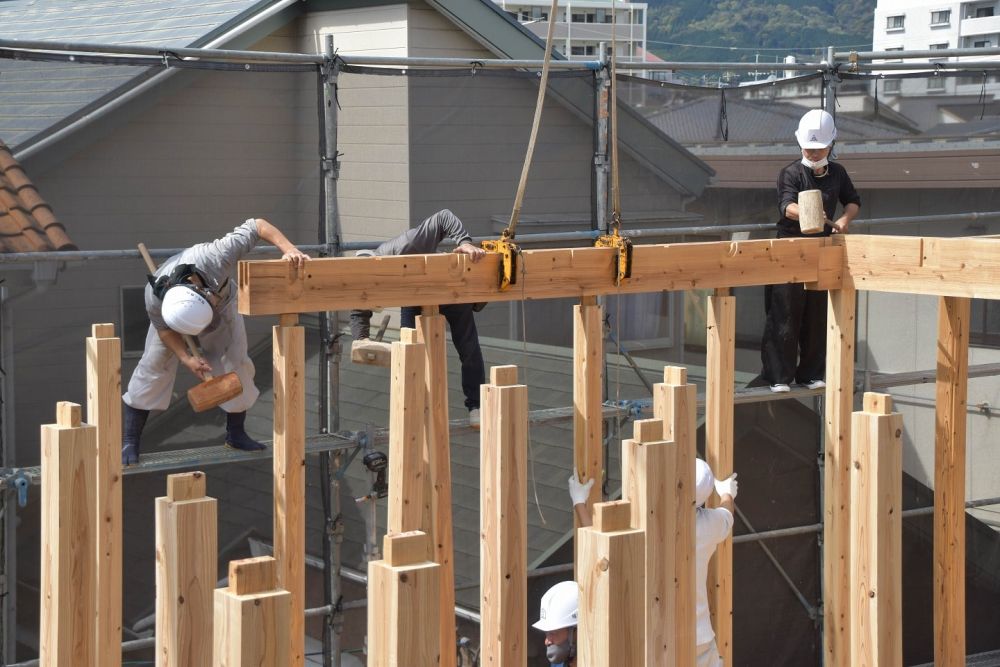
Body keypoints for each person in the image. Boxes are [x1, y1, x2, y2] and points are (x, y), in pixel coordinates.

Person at [121, 218, 309, 465]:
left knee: (236, 360)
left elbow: (258, 225)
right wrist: (187, 358)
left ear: (202, 288)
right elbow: (165, 331)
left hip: (224, 304)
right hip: (172, 322)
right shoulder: (155, 300)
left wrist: (289, 249)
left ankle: (236, 433)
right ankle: (130, 441)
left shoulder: (216, 256)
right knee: (154, 365)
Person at [568, 459, 738, 667]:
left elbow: (602, 548)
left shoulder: (645, 525)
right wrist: (726, 491)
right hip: (699, 636)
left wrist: (579, 502)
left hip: (655, 638)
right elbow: (727, 512)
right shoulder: (709, 525)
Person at [349, 209, 487, 426]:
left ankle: (476, 406)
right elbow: (358, 310)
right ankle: (412, 405)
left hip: (447, 287)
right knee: (409, 351)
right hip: (413, 296)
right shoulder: (368, 281)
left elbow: (444, 216)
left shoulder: (407, 245)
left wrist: (465, 242)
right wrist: (362, 339)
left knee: (468, 349)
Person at [759, 108, 861, 393]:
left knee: (816, 314)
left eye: (819, 149)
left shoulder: (838, 173)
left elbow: (852, 202)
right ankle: (779, 376)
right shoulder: (791, 172)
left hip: (822, 249)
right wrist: (805, 212)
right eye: (808, 148)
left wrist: (842, 220)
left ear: (831, 145)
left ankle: (811, 373)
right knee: (784, 312)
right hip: (790, 247)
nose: (813, 154)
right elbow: (785, 205)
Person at [532, 580, 579, 666]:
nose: (547, 641)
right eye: (547, 633)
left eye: (553, 633)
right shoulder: (559, 664)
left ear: (575, 631)